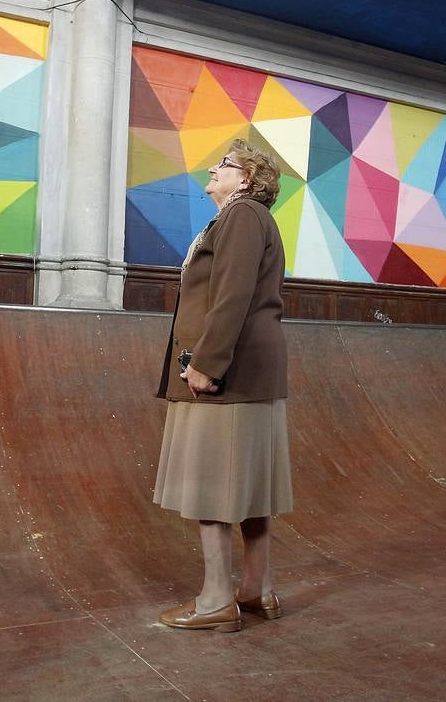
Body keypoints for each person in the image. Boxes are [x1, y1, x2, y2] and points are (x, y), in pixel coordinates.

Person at [153, 139, 292, 634]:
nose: (212, 168)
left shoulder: (242, 216)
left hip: (227, 376)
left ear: (247, 180)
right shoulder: (245, 219)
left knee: (212, 485)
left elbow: (231, 295)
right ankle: (257, 590)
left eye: (225, 164)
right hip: (250, 373)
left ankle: (215, 601)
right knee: (248, 488)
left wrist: (207, 365)